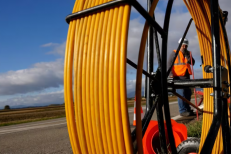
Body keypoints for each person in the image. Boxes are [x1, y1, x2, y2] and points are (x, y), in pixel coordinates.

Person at [167, 38, 195, 117]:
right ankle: (182, 111)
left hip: (187, 77)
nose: (184, 47)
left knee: (188, 94)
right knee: (181, 94)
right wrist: (170, 74)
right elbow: (169, 64)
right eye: (183, 45)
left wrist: (187, 56)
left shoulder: (188, 53)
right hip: (178, 77)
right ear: (180, 45)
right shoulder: (174, 53)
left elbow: (193, 63)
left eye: (185, 46)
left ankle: (187, 108)